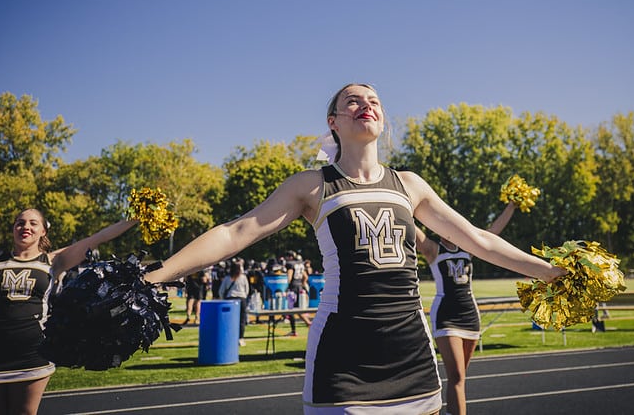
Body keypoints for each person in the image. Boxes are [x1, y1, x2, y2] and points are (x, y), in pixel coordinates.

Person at [144, 83, 564, 414]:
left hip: (412, 356)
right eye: (353, 101)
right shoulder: (312, 184)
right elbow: (236, 233)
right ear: (333, 122)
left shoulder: (410, 185)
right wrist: (155, 275)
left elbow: (479, 239)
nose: (366, 105)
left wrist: (550, 271)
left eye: (374, 100)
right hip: (342, 358)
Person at [0, 209, 135, 415]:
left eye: (33, 223)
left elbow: (99, 237)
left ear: (43, 231)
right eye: (20, 223)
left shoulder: (54, 261)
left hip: (32, 355)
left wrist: (136, 217)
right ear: (13, 228)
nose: (26, 227)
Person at [416, 200, 517, 415]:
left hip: (470, 315)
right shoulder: (433, 250)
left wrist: (511, 206)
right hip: (446, 316)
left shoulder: (469, 249)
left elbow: (493, 233)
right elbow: (412, 230)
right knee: (456, 376)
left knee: (461, 378)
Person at [219, 260, 250, 346]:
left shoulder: (227, 278)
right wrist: (244, 297)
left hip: (230, 299)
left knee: (229, 320)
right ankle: (241, 338)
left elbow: (221, 291)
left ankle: (230, 337)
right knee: (242, 320)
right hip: (241, 299)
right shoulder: (243, 277)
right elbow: (247, 290)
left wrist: (223, 299)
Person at [286, 252, 311, 335]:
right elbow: (306, 277)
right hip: (299, 287)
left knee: (291, 309)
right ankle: (308, 323)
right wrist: (302, 284)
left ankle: (294, 331)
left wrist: (286, 288)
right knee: (297, 309)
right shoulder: (300, 264)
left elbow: (289, 278)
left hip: (293, 288)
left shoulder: (290, 264)